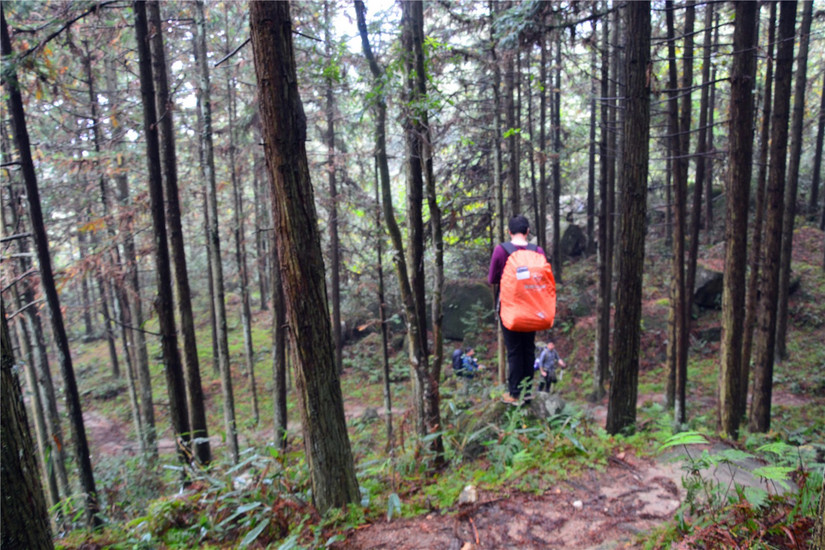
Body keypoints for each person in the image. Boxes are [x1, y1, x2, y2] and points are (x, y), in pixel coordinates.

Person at [488, 215, 547, 404]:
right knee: (528, 348)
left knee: (514, 350)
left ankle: (514, 393)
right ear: (528, 231)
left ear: (509, 231)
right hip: (532, 307)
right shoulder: (537, 250)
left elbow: (492, 278)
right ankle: (527, 391)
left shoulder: (501, 250)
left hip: (509, 308)